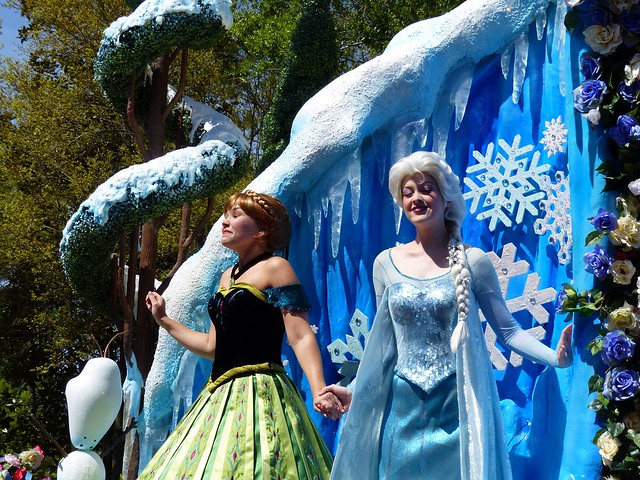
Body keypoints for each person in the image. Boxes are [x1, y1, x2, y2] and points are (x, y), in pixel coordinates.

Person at [320, 151, 573, 480]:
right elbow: (382, 349)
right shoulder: (384, 263)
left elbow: (509, 332)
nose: (416, 198)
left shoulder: (474, 261)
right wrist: (353, 390)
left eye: (426, 189)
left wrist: (556, 358)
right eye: (408, 192)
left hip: (458, 412)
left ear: (447, 198)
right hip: (401, 414)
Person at [139, 190, 339, 480]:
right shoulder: (226, 277)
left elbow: (299, 336)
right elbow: (211, 346)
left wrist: (319, 388)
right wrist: (164, 319)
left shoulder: (276, 267)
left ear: (262, 230)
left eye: (236, 215)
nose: (225, 221)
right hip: (219, 394)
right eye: (225, 215)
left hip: (261, 392)